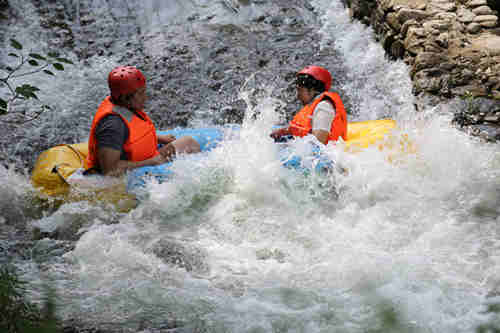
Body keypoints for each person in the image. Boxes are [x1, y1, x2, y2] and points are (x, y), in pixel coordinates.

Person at [85, 66, 200, 176]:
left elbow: (130, 136)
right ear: (125, 98)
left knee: (188, 143)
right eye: (141, 93)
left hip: (139, 158)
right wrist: (150, 162)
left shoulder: (122, 104)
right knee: (189, 143)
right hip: (132, 172)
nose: (145, 97)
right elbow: (110, 170)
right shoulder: (112, 125)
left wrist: (158, 138)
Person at [270, 65, 347, 145]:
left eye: (300, 90)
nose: (298, 95)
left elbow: (318, 144)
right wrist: (285, 131)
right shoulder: (314, 106)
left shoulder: (324, 108)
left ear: (312, 90)